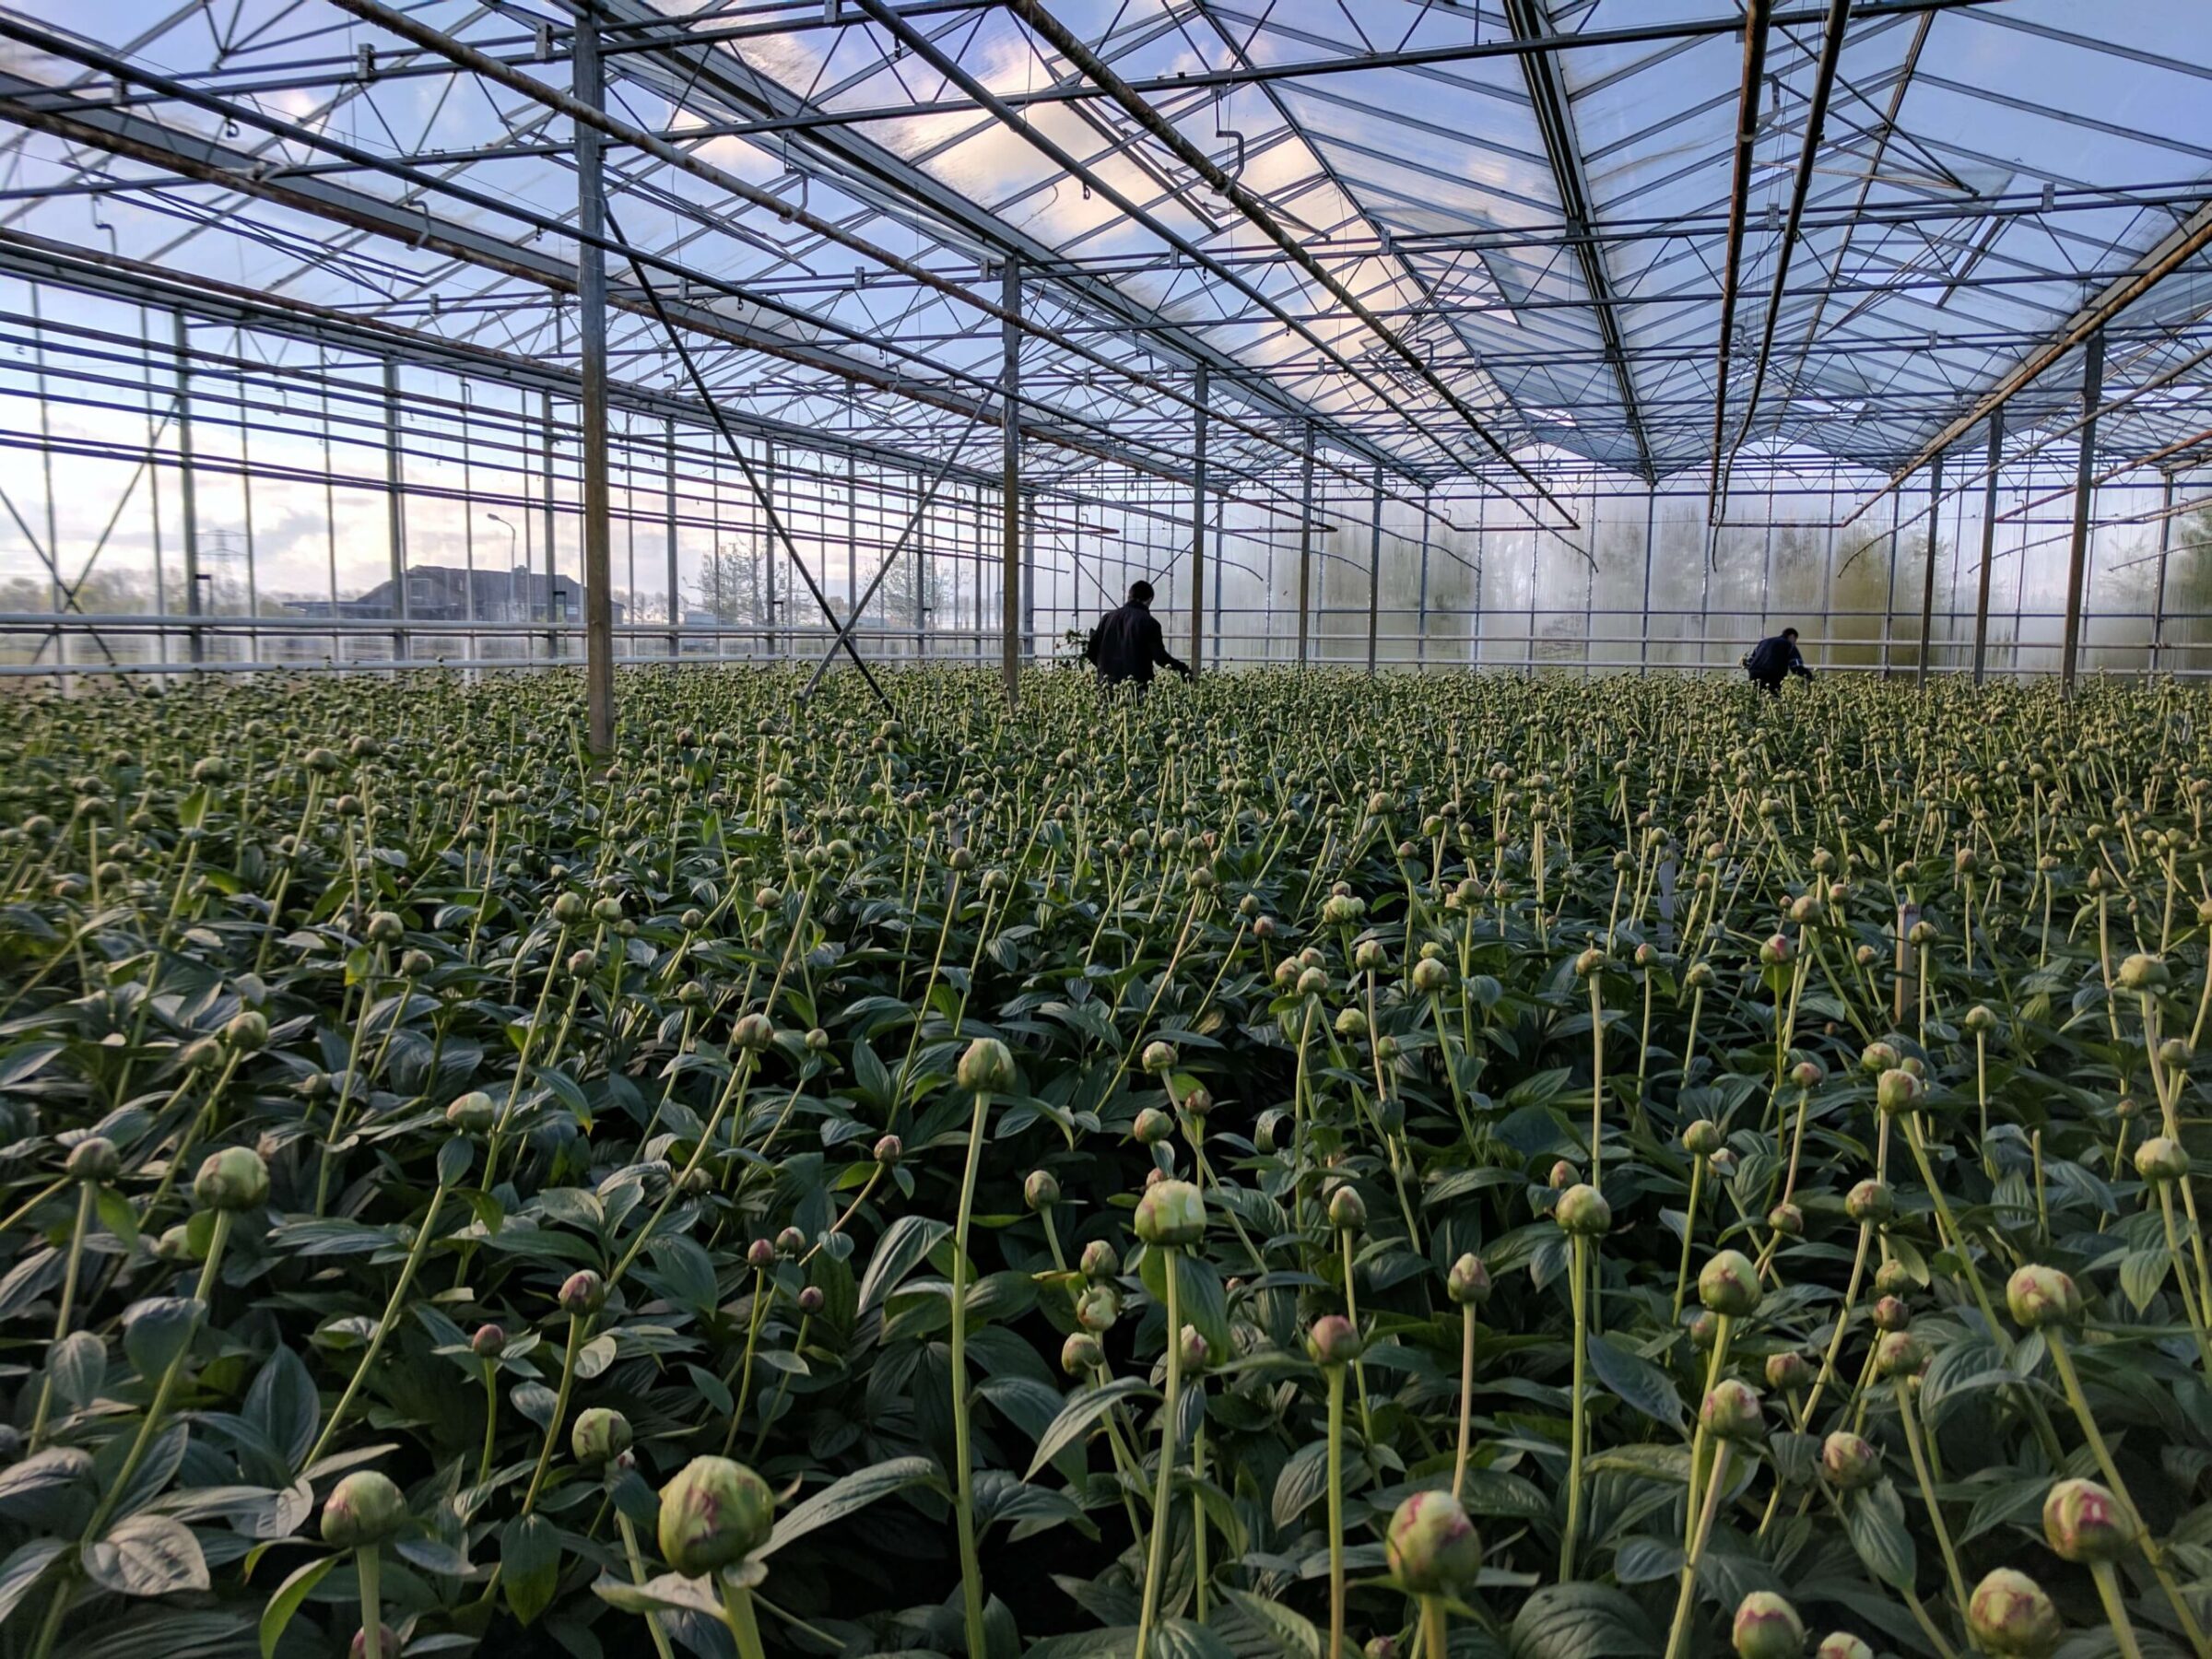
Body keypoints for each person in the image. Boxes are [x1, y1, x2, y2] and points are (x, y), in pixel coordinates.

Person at [1086, 581, 1192, 688]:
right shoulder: (1150, 623)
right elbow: (1160, 658)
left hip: (1106, 686)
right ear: (1149, 600)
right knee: (1136, 705)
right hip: (1136, 687)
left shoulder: (1107, 618)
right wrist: (1181, 668)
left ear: (1129, 596)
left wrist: (1105, 670)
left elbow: (1091, 651)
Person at [1743, 627, 1813, 695]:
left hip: (1754, 673)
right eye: (1795, 640)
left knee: (1756, 698)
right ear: (1792, 636)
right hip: (1773, 675)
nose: (1795, 643)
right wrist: (1809, 676)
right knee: (1774, 698)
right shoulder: (1789, 645)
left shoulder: (1763, 642)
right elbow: (1796, 667)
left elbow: (1749, 662)